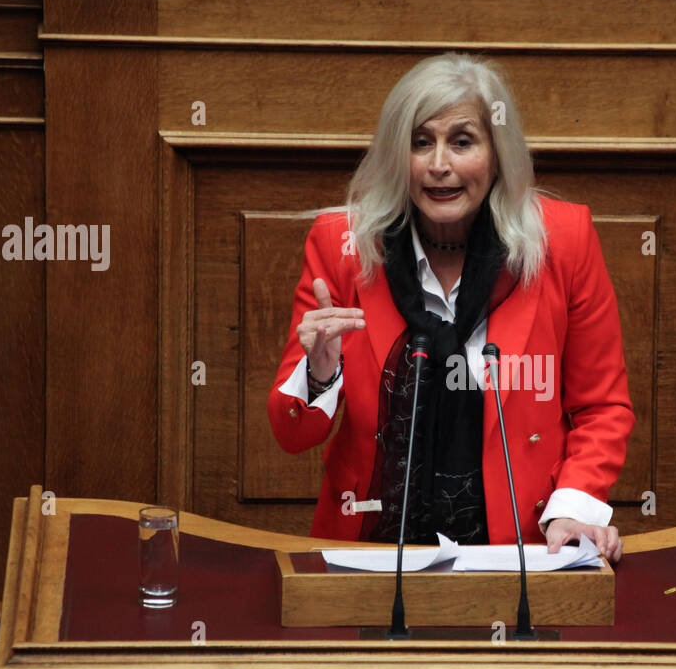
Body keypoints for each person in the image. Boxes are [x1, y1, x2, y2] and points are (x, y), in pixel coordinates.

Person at [267, 53, 633, 562]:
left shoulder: (562, 242)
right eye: (421, 142)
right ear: (400, 155)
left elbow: (601, 407)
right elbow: (291, 434)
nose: (440, 164)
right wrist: (321, 373)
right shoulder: (342, 245)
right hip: (370, 554)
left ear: (497, 152)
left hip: (521, 552)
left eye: (462, 141)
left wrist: (573, 510)